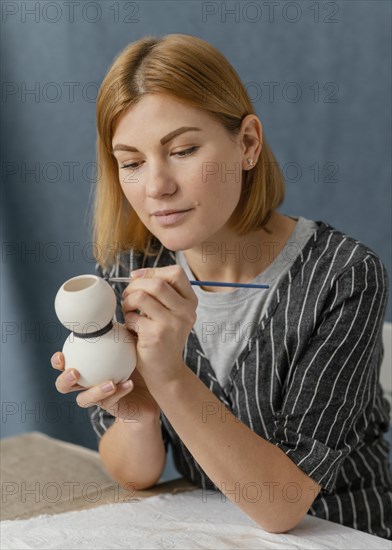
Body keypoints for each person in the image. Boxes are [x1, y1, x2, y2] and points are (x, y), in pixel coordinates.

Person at [51, 34, 391, 539]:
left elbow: (282, 507)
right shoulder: (132, 271)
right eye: (132, 162)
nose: (156, 187)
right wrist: (139, 414)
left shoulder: (343, 276)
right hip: (213, 533)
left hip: (341, 535)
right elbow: (136, 474)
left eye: (183, 150)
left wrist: (167, 375)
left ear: (247, 144)